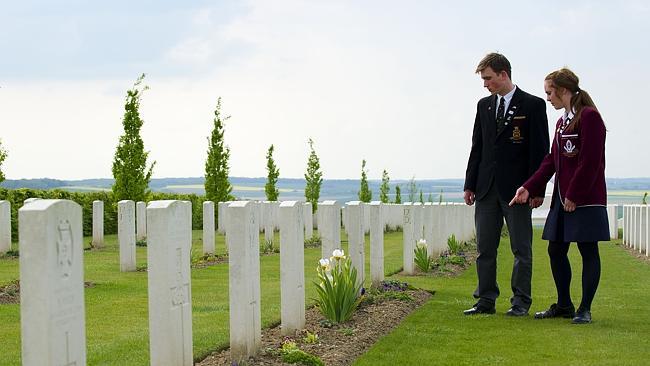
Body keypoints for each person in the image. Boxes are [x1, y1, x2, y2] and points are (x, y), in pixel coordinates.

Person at [510, 68, 609, 324]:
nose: (547, 98)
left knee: (588, 250)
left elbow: (590, 162)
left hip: (584, 198)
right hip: (563, 199)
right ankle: (564, 304)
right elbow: (550, 162)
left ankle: (584, 309)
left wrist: (575, 194)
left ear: (563, 90)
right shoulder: (562, 121)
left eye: (549, 92)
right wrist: (529, 187)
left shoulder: (590, 117)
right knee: (555, 250)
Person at [463, 53, 549, 316]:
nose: (485, 84)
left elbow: (540, 151)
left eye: (488, 78)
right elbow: (478, 147)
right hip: (486, 189)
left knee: (521, 249)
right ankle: (485, 300)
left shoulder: (532, 105)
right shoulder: (483, 106)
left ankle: (520, 302)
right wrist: (470, 184)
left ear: (503, 74)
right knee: (484, 249)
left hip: (518, 191)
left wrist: (536, 189)